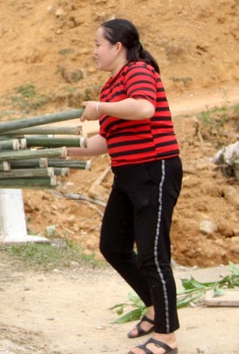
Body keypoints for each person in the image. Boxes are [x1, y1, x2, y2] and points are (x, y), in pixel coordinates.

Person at [65, 18, 182, 354]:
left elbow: (144, 108)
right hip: (127, 174)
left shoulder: (139, 71)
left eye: (98, 44)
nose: (94, 52)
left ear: (117, 47)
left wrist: (100, 108)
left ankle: (167, 337)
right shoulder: (111, 85)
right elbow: (106, 139)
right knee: (113, 246)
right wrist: (61, 147)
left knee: (152, 255)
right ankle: (154, 307)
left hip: (154, 170)